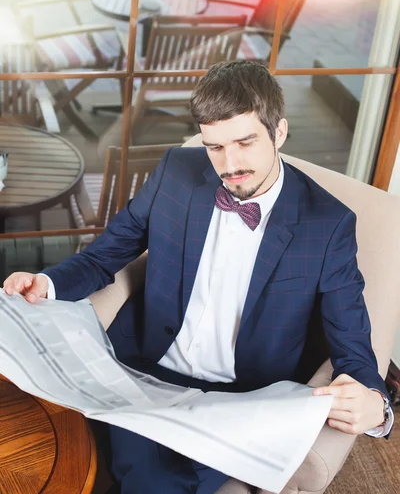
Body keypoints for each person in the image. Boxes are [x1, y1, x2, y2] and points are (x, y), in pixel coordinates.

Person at [4, 60, 393, 494]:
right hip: (145, 371)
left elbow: (354, 343)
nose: (230, 165)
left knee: (152, 480)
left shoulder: (328, 225)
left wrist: (378, 408)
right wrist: (47, 283)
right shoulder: (177, 172)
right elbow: (102, 258)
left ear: (278, 132)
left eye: (245, 142)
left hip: (238, 398)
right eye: (215, 147)